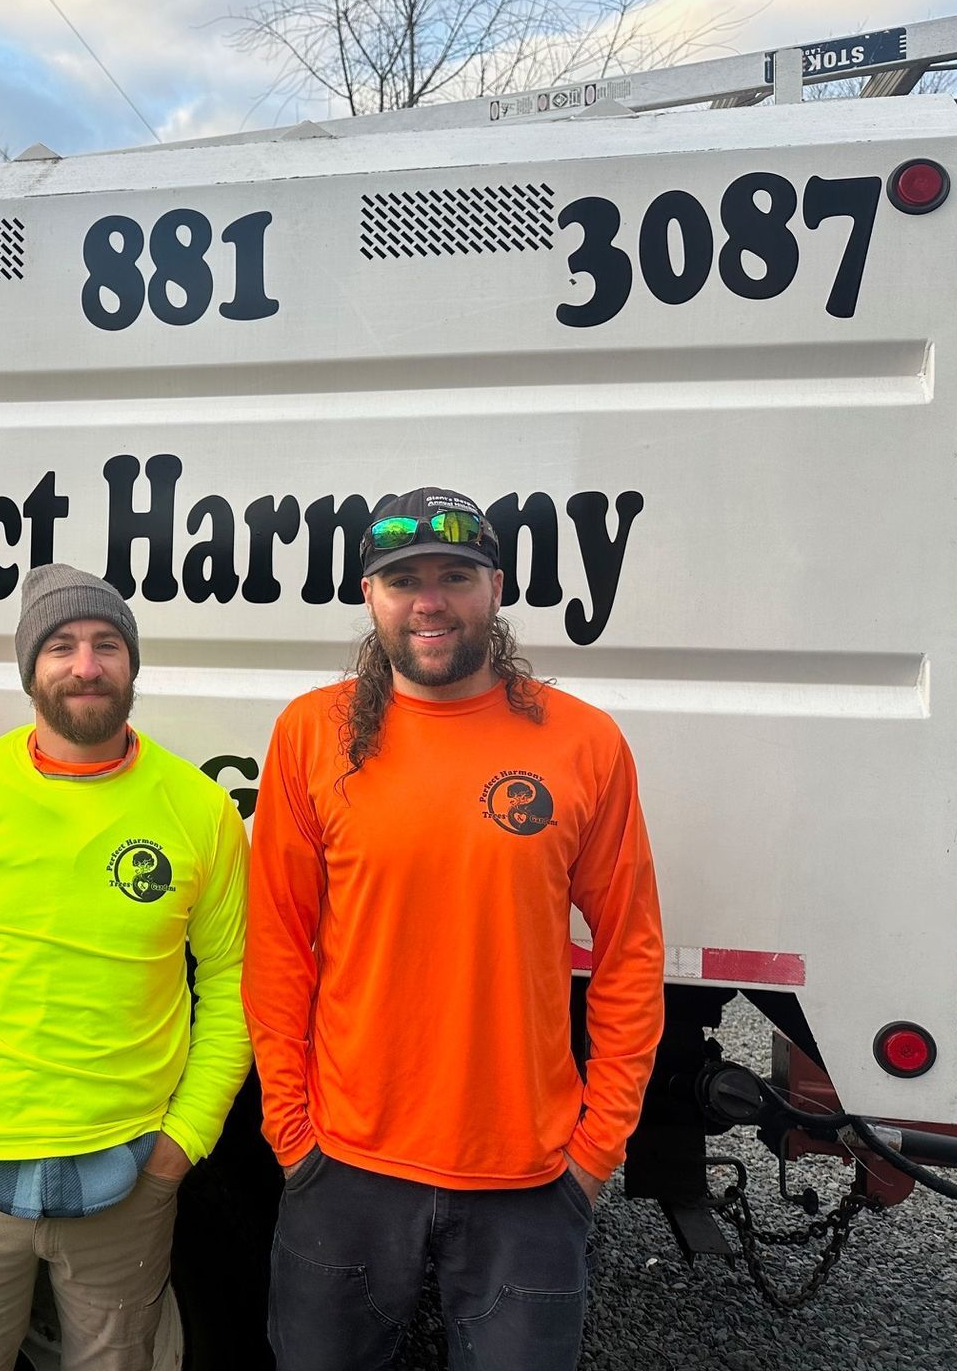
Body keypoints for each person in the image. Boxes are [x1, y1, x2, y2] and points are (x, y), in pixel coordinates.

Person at [244, 487, 665, 1371]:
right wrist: (291, 1130)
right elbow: (279, 941)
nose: (428, 601)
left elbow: (630, 948)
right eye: (403, 579)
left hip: (529, 1177)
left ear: (496, 588)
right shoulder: (311, 734)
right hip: (345, 1168)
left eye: (454, 576)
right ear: (370, 596)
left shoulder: (583, 743)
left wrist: (596, 1151)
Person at [0, 563, 250, 1371]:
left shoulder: (199, 808)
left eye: (106, 644)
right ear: (30, 670)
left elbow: (232, 981)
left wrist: (185, 1140)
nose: (86, 665)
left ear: (131, 665)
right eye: (61, 646)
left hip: (130, 1166)